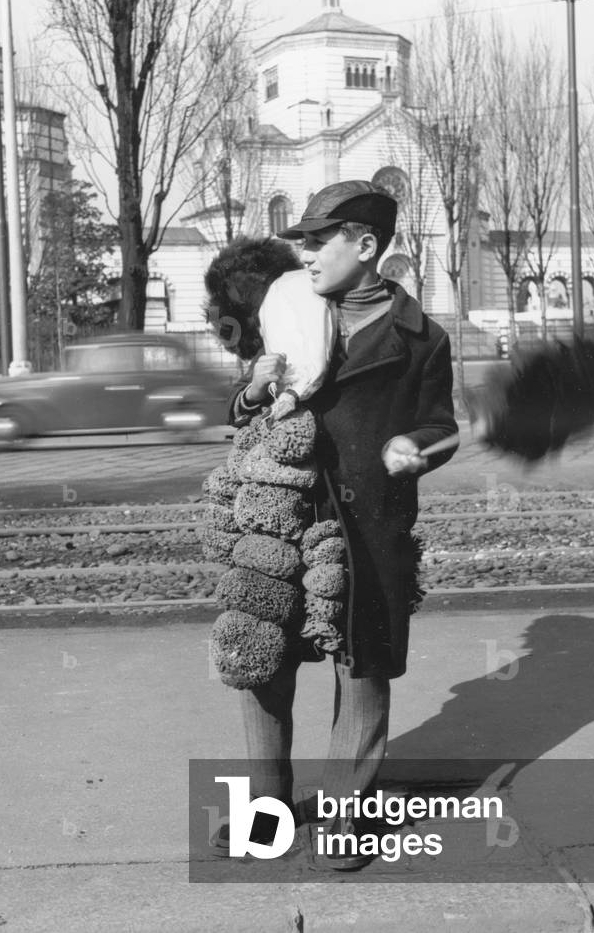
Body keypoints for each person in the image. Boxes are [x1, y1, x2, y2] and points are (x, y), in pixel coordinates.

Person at [220, 180, 458, 868]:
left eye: (319, 240)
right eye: (301, 240)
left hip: (368, 520)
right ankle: (266, 818)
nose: (305, 253)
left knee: (361, 666)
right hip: (282, 514)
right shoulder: (290, 308)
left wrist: (415, 450)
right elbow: (242, 412)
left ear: (365, 245)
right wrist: (252, 389)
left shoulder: (422, 338)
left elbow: (442, 428)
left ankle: (345, 819)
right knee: (262, 662)